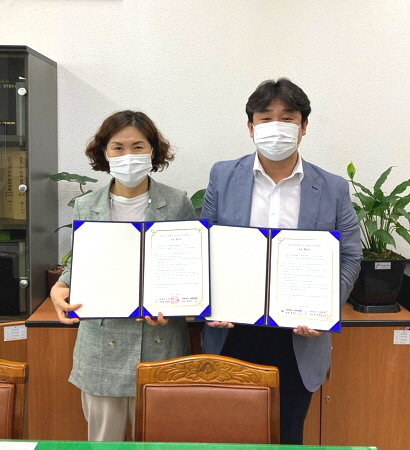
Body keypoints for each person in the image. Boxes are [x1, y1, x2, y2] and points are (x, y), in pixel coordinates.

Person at [200, 78, 362, 445]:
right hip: (233, 329)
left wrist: (324, 309)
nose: (277, 126)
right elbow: (205, 245)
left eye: (287, 118)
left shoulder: (332, 187)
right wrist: (209, 302)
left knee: (288, 434)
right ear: (250, 126)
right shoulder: (223, 176)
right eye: (266, 117)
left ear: (303, 127)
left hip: (298, 336)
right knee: (227, 433)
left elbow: (351, 255)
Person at [50, 110, 196, 441]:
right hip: (103, 345)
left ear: (153, 151)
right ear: (104, 152)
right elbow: (82, 263)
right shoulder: (86, 205)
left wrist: (176, 305)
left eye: (138, 146)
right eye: (118, 147)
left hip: (161, 342)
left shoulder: (176, 202)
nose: (128, 155)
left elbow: (188, 266)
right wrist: (61, 286)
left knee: (160, 442)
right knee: (104, 443)